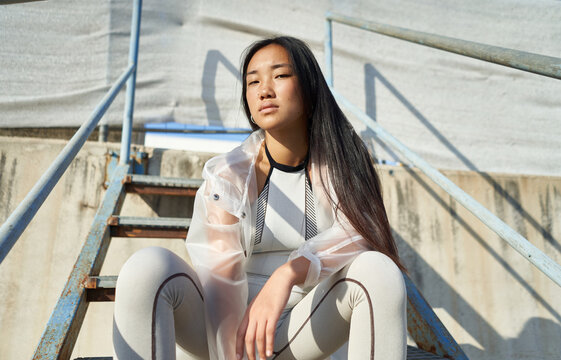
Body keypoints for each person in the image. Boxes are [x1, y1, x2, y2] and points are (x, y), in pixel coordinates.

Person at [113, 36, 407, 360]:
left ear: (309, 91)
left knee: (378, 270)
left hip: (305, 327)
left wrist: (288, 273)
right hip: (231, 331)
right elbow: (220, 276)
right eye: (253, 82)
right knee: (146, 268)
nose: (264, 89)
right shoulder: (228, 174)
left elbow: (361, 234)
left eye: (279, 76)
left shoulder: (344, 161)